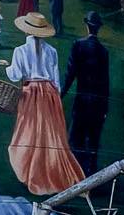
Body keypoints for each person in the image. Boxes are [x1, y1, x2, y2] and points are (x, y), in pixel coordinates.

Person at [6, 12, 84, 194]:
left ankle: (29, 170)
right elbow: (56, 79)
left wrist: (6, 66)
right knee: (50, 133)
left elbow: (16, 75)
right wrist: (55, 96)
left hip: (30, 92)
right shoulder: (52, 51)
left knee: (28, 130)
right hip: (49, 94)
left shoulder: (20, 51)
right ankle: (50, 168)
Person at [60, 11, 111, 176]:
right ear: (98, 29)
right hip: (97, 103)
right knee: (93, 141)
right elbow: (105, 83)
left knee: (76, 138)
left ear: (86, 26)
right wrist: (105, 108)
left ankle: (76, 175)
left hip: (82, 100)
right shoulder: (103, 51)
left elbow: (70, 73)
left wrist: (61, 94)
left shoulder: (78, 45)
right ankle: (90, 177)